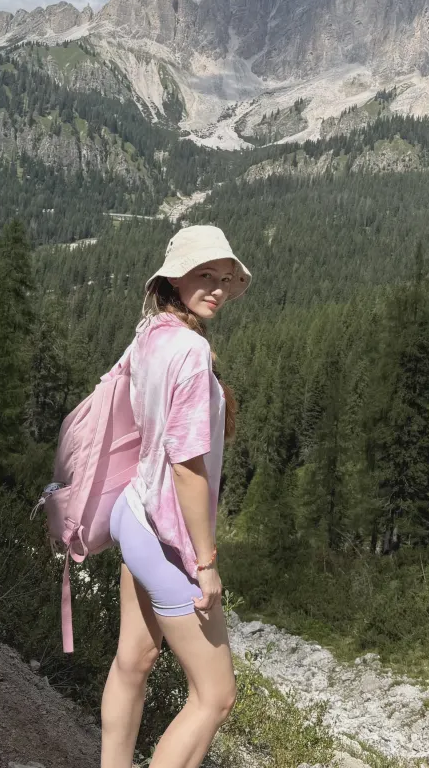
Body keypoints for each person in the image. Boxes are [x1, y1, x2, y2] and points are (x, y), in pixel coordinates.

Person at [101, 224, 251, 768]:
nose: (216, 287)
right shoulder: (189, 351)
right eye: (203, 276)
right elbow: (188, 468)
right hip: (168, 536)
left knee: (133, 659)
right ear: (175, 280)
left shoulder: (151, 332)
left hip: (133, 514)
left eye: (223, 278)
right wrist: (205, 563)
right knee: (214, 696)